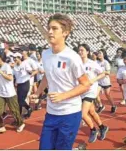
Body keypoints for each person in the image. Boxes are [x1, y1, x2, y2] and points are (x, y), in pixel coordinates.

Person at [36, 13, 90, 150]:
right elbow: (47, 76)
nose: (49, 32)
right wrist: (37, 93)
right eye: (49, 28)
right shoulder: (45, 54)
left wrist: (62, 96)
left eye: (54, 29)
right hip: (51, 113)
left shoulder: (72, 57)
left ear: (65, 33)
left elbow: (86, 84)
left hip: (69, 113)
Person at [78, 44, 109, 143]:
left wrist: (93, 80)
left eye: (82, 50)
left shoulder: (92, 63)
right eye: (79, 50)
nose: (80, 52)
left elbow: (103, 73)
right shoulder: (77, 64)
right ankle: (102, 127)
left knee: (83, 114)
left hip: (91, 91)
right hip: (81, 91)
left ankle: (93, 130)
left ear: (87, 52)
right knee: (91, 112)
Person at [0, 50, 25, 135]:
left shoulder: (6, 66)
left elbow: (10, 78)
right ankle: (1, 126)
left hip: (10, 93)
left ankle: (20, 123)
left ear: (1, 57)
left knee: (14, 111)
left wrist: (0, 72)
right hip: (1, 93)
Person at [96, 49, 117, 114]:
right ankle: (101, 106)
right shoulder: (96, 62)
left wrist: (102, 73)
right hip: (98, 82)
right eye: (98, 53)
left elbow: (108, 72)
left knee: (107, 95)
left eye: (100, 53)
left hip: (105, 82)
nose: (99, 54)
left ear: (104, 54)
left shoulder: (106, 62)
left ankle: (113, 105)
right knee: (95, 95)